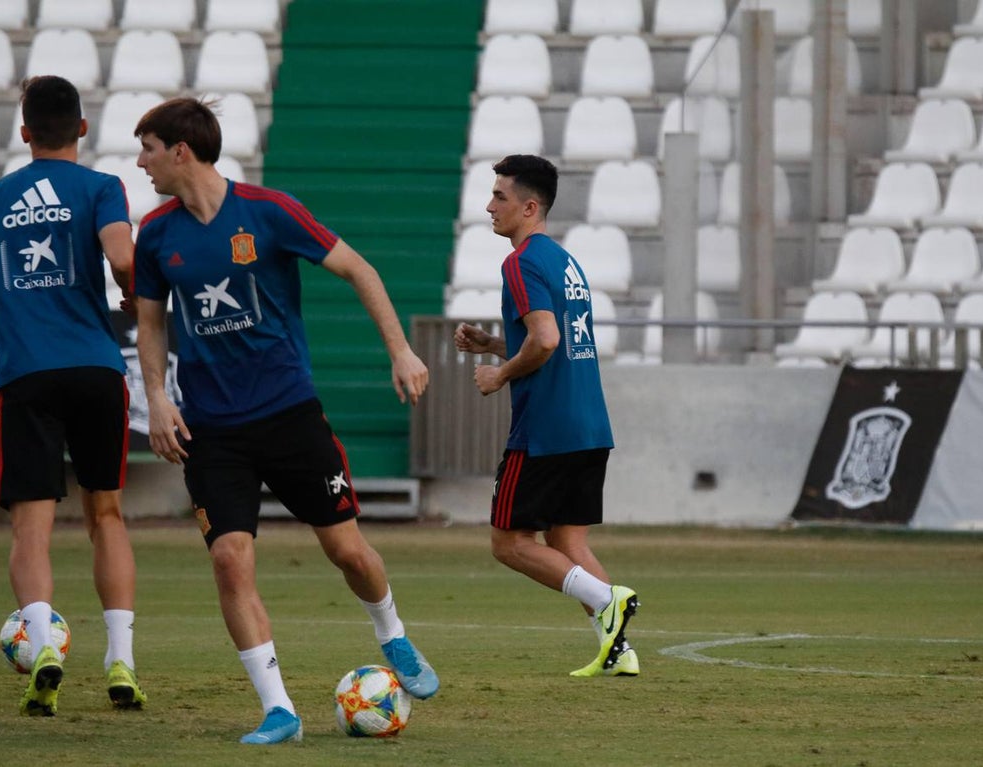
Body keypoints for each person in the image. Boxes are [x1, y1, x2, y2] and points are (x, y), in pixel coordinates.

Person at [130, 97, 439, 745]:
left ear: (180, 151)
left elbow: (360, 269)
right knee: (229, 561)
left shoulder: (270, 212)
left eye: (149, 149)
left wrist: (401, 349)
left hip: (290, 415)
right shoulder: (156, 234)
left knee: (347, 550)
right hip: (212, 431)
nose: (142, 163)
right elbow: (151, 322)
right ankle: (280, 709)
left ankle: (393, 635)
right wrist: (156, 395)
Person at [0, 75, 146, 716]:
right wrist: (131, 290)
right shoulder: (102, 188)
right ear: (81, 127)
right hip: (95, 367)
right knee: (106, 515)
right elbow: (121, 256)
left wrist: (20, 288)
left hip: (26, 372)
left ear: (23, 133)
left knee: (31, 528)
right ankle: (121, 659)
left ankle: (44, 645)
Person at [453, 154, 639, 678]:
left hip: (545, 430)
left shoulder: (520, 262)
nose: (489, 206)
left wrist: (500, 374)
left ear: (530, 207)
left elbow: (547, 339)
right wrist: (495, 344)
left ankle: (608, 600)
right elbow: (551, 337)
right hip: (588, 423)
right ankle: (619, 651)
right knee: (568, 542)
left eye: (500, 197)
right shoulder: (562, 260)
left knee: (509, 544)